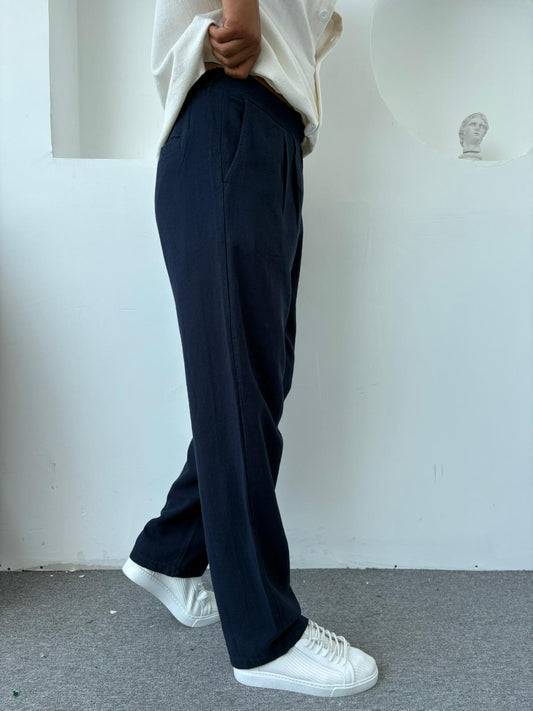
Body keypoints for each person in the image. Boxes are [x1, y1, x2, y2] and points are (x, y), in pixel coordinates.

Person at [122, 0, 379, 698]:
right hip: (231, 115)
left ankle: (171, 551)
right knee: (241, 387)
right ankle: (265, 637)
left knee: (253, 383)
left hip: (261, 134)